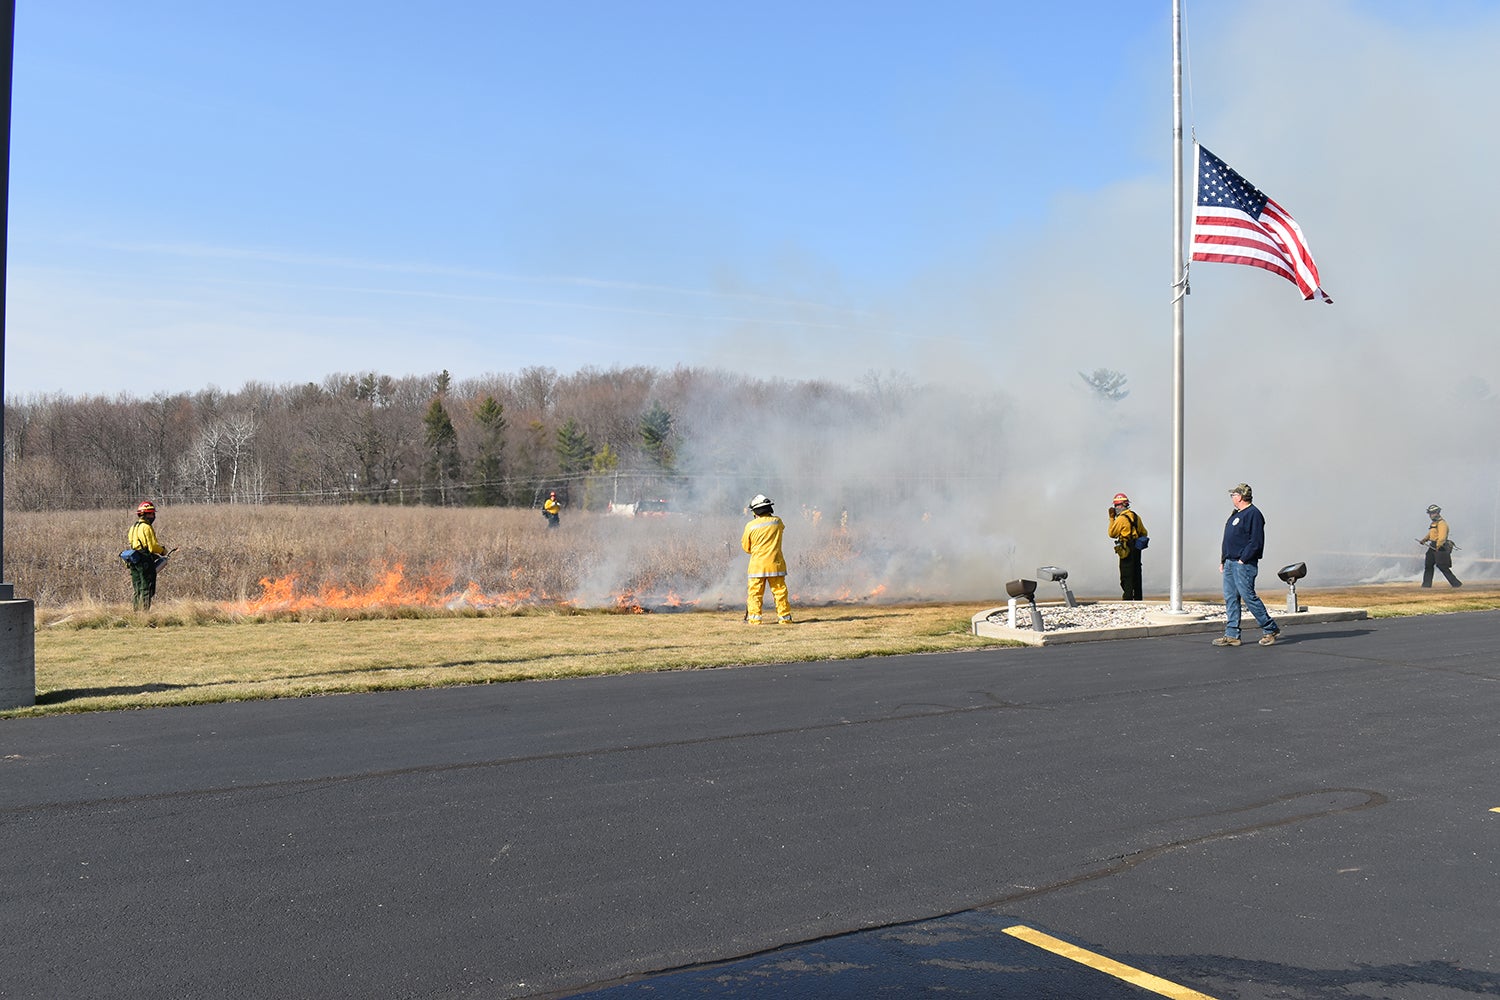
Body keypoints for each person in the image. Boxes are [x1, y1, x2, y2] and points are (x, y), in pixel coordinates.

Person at [1214, 483, 1282, 647]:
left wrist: (1243, 559)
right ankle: (1232, 635)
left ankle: (1270, 628)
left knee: (1248, 596)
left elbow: (1256, 541)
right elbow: (1228, 539)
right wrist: (1224, 560)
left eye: (1234, 495)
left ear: (1241, 497)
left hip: (1243, 564)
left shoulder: (1253, 514)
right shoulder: (1235, 514)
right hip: (1230, 563)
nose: (1232, 498)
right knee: (1231, 598)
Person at [741, 493, 792, 624]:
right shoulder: (777, 521)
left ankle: (754, 620)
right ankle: (785, 619)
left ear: (755, 511)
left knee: (755, 594)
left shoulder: (750, 526)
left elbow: (746, 548)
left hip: (757, 566)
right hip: (776, 564)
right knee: (780, 593)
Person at [126, 500, 170, 611]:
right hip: (144, 562)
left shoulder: (133, 527)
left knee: (138, 589)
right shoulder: (146, 527)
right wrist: (163, 551)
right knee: (147, 588)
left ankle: (136, 614)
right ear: (146, 514)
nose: (153, 516)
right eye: (152, 513)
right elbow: (152, 547)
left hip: (134, 561)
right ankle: (144, 615)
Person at [1106, 492, 1147, 601]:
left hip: (1126, 548)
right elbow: (1144, 532)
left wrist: (1111, 518)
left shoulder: (1121, 519)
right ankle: (1138, 598)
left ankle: (1127, 598)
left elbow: (1112, 533)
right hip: (1137, 548)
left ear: (1122, 505)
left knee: (1126, 574)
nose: (1116, 508)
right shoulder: (1136, 516)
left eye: (1117, 505)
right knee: (1137, 573)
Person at [1418, 504, 1462, 588]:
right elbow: (1431, 534)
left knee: (1442, 567)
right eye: (1430, 513)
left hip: (1440, 547)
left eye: (1433, 513)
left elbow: (1442, 537)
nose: (1431, 515)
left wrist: (1438, 547)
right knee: (1428, 565)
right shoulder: (1434, 523)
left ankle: (1456, 584)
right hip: (1432, 546)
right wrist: (1424, 539)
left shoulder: (1442, 524)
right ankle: (1426, 585)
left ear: (1437, 513)